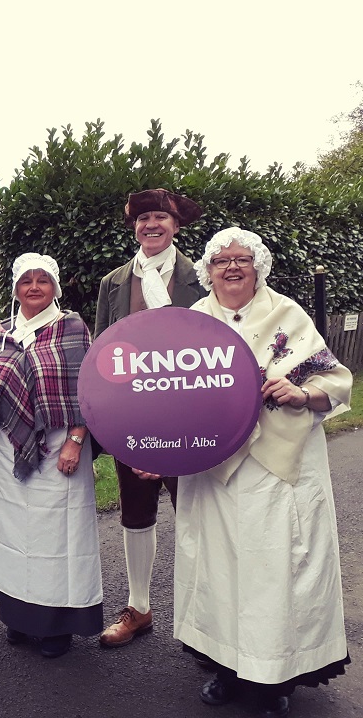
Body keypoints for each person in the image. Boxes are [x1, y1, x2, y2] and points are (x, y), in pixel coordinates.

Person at [173, 227, 352, 718]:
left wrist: (303, 393)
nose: (232, 267)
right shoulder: (191, 324)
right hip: (215, 469)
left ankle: (275, 677)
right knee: (220, 569)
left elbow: (334, 381)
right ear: (206, 271)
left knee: (275, 572)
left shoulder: (287, 315)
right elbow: (166, 396)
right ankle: (227, 669)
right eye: (221, 260)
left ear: (259, 267)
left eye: (242, 260)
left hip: (278, 469)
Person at [0, 253, 102, 658]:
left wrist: (77, 439)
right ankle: (19, 618)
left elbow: (91, 390)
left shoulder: (73, 328)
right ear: (15, 288)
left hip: (61, 446)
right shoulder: (0, 331)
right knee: (14, 533)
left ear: (55, 287)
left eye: (42, 280)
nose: (33, 287)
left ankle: (55, 627)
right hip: (7, 446)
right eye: (25, 280)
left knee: (56, 534)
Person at [93, 188, 205, 648]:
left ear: (176, 226)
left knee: (199, 514)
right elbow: (102, 354)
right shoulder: (114, 282)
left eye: (160, 217)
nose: (151, 225)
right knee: (135, 512)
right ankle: (139, 608)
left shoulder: (202, 277)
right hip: (134, 419)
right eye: (142, 219)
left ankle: (205, 618)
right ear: (134, 227)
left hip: (194, 418)